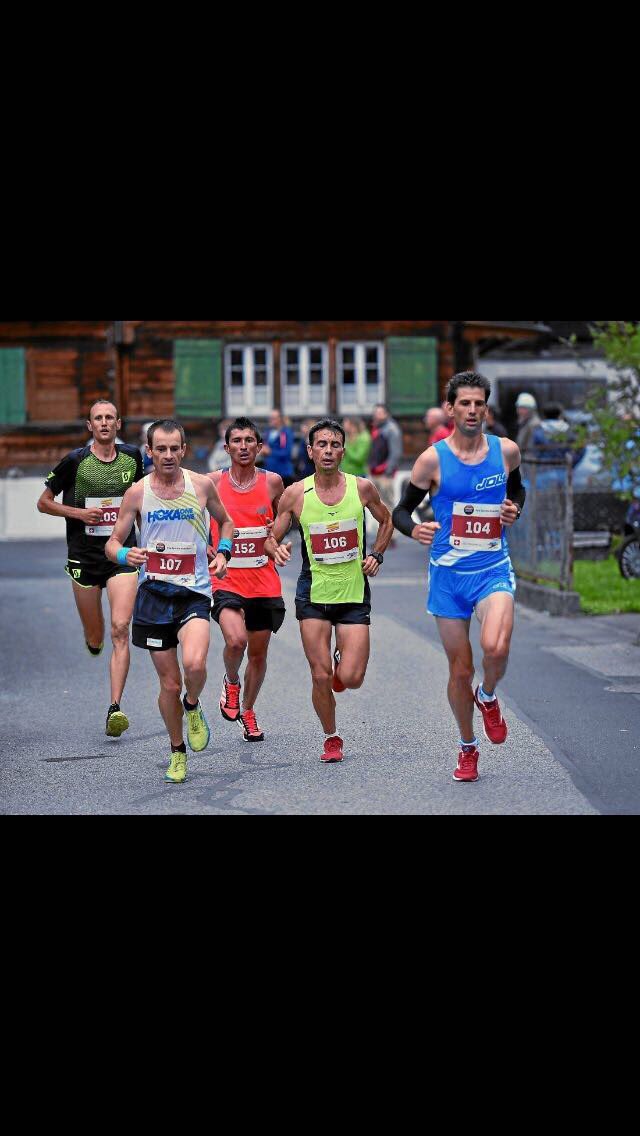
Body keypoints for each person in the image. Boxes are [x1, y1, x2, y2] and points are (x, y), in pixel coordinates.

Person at [392, 372, 526, 784]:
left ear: (486, 408)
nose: (472, 411)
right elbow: (401, 511)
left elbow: (518, 492)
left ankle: (488, 697)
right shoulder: (432, 459)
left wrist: (513, 509)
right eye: (464, 404)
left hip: (492, 570)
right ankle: (468, 746)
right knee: (460, 670)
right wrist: (415, 529)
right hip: (449, 577)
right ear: (450, 408)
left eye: (478, 404)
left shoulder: (506, 452)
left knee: (496, 647)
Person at [105, 419, 234, 785]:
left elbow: (226, 523)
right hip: (154, 595)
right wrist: (124, 555)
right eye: (160, 449)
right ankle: (177, 751)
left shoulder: (201, 485)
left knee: (194, 664)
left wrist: (223, 553)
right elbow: (112, 542)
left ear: (184, 449)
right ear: (149, 451)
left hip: (193, 591)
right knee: (170, 685)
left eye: (174, 448)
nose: (168, 455)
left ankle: (193, 707)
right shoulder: (137, 492)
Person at [265, 418, 394, 764]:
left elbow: (387, 520)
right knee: (320, 675)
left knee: (350, 678)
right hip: (313, 594)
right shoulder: (295, 494)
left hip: (353, 592)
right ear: (310, 451)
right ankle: (331, 736)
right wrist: (274, 549)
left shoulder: (362, 488)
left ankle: (343, 666)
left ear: (343, 450)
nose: (328, 450)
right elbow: (271, 537)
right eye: (321, 444)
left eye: (335, 444)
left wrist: (377, 554)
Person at [37, 399, 144, 738]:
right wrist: (79, 514)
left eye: (109, 418)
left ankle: (115, 707)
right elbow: (43, 503)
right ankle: (92, 640)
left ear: (118, 423)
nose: (103, 423)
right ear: (90, 426)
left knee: (120, 627)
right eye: (97, 418)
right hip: (83, 556)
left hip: (121, 555)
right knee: (96, 635)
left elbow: (141, 501)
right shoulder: (75, 461)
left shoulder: (132, 458)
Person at [207, 417, 287, 743]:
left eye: (249, 440)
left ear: (259, 446)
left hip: (263, 578)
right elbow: (192, 516)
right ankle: (231, 682)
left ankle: (249, 710)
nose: (243, 446)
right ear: (226, 448)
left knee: (257, 654)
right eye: (236, 441)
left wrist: (278, 542)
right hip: (226, 577)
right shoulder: (211, 483)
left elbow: (285, 518)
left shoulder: (273, 483)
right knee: (235, 641)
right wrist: (206, 547)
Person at [261, 409, 295, 487]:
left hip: (283, 474)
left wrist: (270, 452)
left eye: (273, 418)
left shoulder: (286, 432)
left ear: (279, 419)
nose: (270, 420)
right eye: (270, 418)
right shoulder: (268, 432)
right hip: (269, 473)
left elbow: (287, 452)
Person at [515, 392, 545, 456]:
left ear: (530, 410)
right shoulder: (525, 423)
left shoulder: (534, 425)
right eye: (518, 408)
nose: (518, 411)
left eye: (522, 408)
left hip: (528, 463)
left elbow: (531, 451)